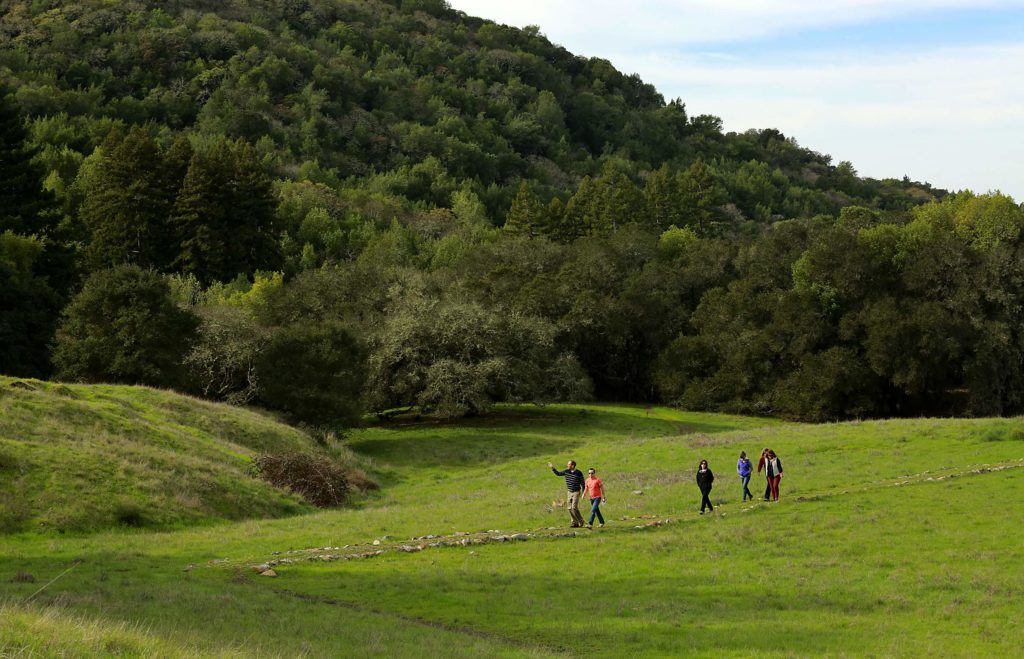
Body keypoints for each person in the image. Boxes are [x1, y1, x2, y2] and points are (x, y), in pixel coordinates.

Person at [549, 460, 586, 527]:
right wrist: (552, 468)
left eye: (569, 464)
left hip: (576, 492)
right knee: (569, 508)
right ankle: (575, 523)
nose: (567, 465)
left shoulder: (579, 473)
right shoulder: (566, 471)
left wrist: (583, 493)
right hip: (569, 492)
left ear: (573, 466)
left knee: (574, 507)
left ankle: (581, 521)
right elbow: (558, 474)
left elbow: (583, 484)